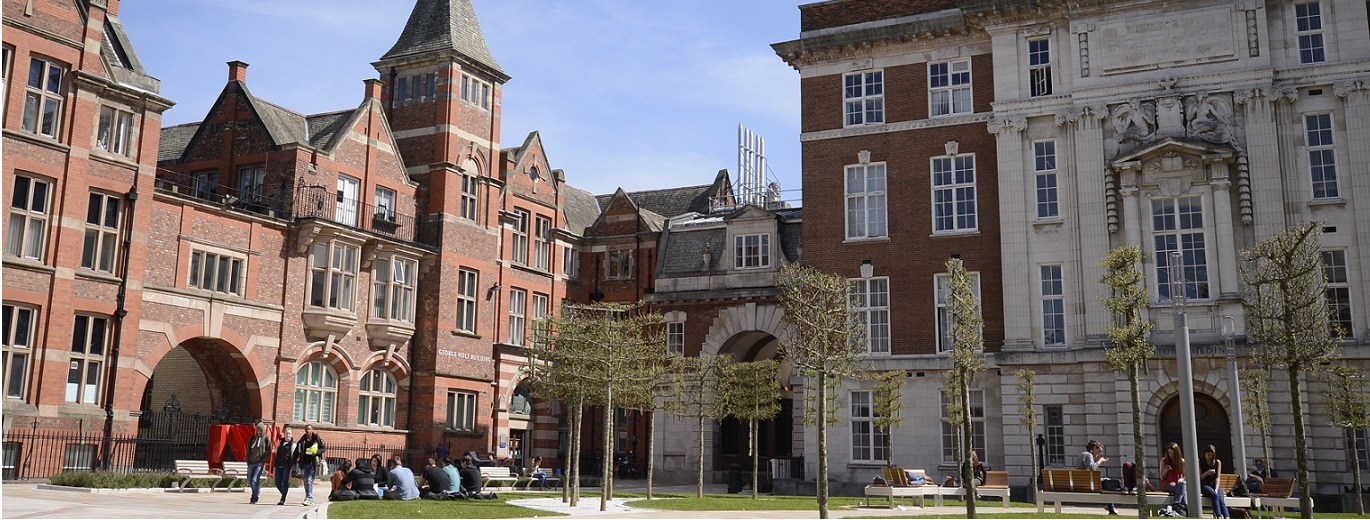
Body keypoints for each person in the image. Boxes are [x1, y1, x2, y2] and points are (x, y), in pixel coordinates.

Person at [1076, 440, 1117, 515]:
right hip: (1088, 483)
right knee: (1109, 482)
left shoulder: (1083, 454)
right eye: (1099, 451)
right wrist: (1100, 461)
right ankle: (1110, 507)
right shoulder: (1088, 455)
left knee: (1107, 481)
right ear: (1094, 448)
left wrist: (1096, 460)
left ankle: (1110, 506)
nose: (1099, 454)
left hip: (1082, 481)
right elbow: (1092, 468)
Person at [295, 425, 326, 506]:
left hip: (313, 463)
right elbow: (296, 451)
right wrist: (294, 462)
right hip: (304, 463)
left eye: (309, 429)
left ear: (312, 430)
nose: (308, 431)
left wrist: (316, 452)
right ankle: (309, 497)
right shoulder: (302, 440)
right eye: (306, 429)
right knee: (306, 480)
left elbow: (323, 448)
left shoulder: (317, 439)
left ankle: (309, 497)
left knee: (309, 479)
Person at [1200, 445, 1231, 518]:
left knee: (1221, 499)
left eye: (1212, 455)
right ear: (1204, 454)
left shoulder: (1217, 462)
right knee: (1215, 496)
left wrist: (1216, 488)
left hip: (1215, 484)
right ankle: (1218, 515)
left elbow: (1217, 477)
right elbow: (1200, 478)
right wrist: (1207, 473)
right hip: (1205, 484)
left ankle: (1227, 516)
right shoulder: (1200, 462)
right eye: (1208, 454)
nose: (1210, 457)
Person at [246, 422, 271, 505]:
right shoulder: (252, 439)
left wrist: (263, 461)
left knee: (254, 480)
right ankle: (257, 491)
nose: (259, 432)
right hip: (251, 462)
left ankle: (254, 497)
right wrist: (248, 461)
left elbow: (268, 452)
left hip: (259, 463)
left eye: (260, 430)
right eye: (258, 430)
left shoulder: (266, 439)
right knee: (250, 481)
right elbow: (248, 450)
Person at [1160, 442, 1187, 517]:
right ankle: (1180, 506)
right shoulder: (1164, 460)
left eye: (1173, 453)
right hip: (1167, 484)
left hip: (1179, 484)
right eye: (1169, 453)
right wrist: (1166, 470)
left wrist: (1182, 478)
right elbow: (1162, 477)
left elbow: (1185, 476)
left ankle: (1178, 508)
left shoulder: (1182, 461)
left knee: (1183, 485)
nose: (1171, 455)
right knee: (1183, 490)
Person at [273, 426, 297, 506]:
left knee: (285, 482)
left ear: (292, 435)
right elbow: (276, 452)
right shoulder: (280, 442)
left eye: (289, 434)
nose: (287, 435)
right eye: (286, 433)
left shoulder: (293, 444)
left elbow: (294, 456)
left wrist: (293, 466)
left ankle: (283, 499)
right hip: (278, 465)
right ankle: (284, 493)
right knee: (277, 482)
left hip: (287, 466)